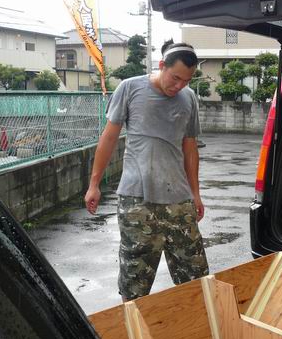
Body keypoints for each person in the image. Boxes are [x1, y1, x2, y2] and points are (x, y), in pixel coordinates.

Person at [84, 40, 209, 301]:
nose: (179, 86)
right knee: (135, 282)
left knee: (196, 279)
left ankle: (198, 334)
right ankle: (133, 337)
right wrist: (94, 184)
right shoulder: (130, 88)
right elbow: (108, 139)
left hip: (179, 201)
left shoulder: (189, 98)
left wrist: (195, 193)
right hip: (136, 202)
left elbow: (190, 149)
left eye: (186, 81)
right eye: (175, 78)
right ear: (161, 65)